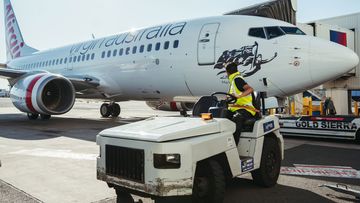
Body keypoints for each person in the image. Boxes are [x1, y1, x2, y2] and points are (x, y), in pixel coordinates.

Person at [225, 62, 258, 145]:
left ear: (227, 72)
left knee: (237, 118)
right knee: (221, 116)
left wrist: (239, 96)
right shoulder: (233, 81)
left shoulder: (237, 79)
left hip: (246, 109)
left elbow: (250, 89)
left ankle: (234, 144)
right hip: (236, 108)